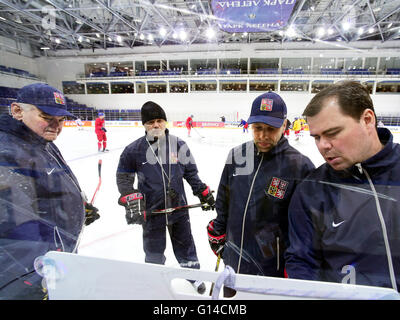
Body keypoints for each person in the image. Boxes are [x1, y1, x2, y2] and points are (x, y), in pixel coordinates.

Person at [285, 80, 400, 291]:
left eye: (333, 133)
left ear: (367, 120)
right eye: (317, 137)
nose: (323, 146)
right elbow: (302, 263)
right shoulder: (312, 190)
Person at [207, 92, 315, 297]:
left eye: (271, 129)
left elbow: (305, 226)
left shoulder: (299, 165)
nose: (263, 136)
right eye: (258, 128)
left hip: (270, 267)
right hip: (233, 259)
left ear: (284, 126)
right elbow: (223, 198)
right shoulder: (237, 155)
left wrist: (295, 265)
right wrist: (219, 231)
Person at [0, 83, 100, 300]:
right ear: (17, 111)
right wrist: (34, 281)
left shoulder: (41, 142)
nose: (56, 126)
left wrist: (78, 208)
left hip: (54, 262)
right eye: (47, 116)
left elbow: (47, 191)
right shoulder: (6, 152)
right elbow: (15, 228)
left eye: (61, 120)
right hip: (29, 275)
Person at [116, 101, 216, 294]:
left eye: (159, 120)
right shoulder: (133, 150)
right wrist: (131, 199)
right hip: (152, 211)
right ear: (144, 125)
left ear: (165, 122)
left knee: (186, 245)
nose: (156, 125)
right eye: (151, 121)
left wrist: (202, 192)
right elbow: (124, 178)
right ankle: (154, 279)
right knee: (153, 249)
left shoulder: (179, 145)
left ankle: (192, 275)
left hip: (179, 208)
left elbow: (191, 173)